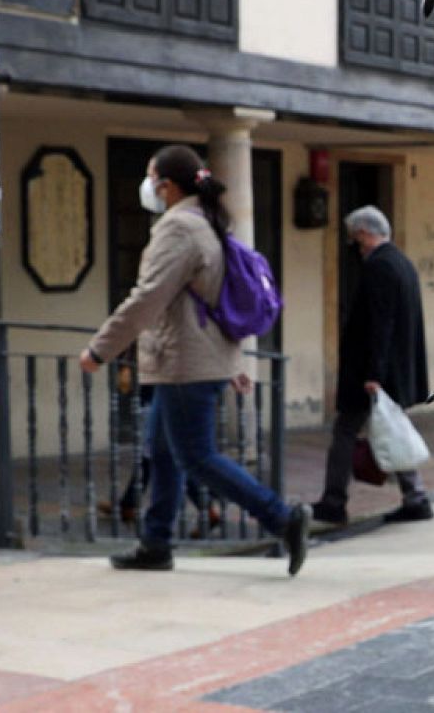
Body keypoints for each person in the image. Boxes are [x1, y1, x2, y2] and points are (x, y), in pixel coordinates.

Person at [81, 145, 310, 574]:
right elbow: (212, 304)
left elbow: (148, 298)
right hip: (190, 362)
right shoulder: (207, 223)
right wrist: (233, 363)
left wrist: (101, 349)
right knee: (164, 454)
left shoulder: (179, 229)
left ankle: (283, 518)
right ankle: (156, 543)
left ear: (165, 185)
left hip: (183, 364)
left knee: (196, 456)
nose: (147, 187)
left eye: (151, 178)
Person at [313, 205, 434, 525]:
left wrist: (373, 375)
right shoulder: (401, 263)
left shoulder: (380, 266)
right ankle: (415, 496)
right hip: (390, 370)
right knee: (393, 429)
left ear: (366, 233)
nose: (355, 245)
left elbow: (381, 324)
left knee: (345, 432)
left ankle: (333, 501)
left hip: (373, 371)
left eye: (355, 238)